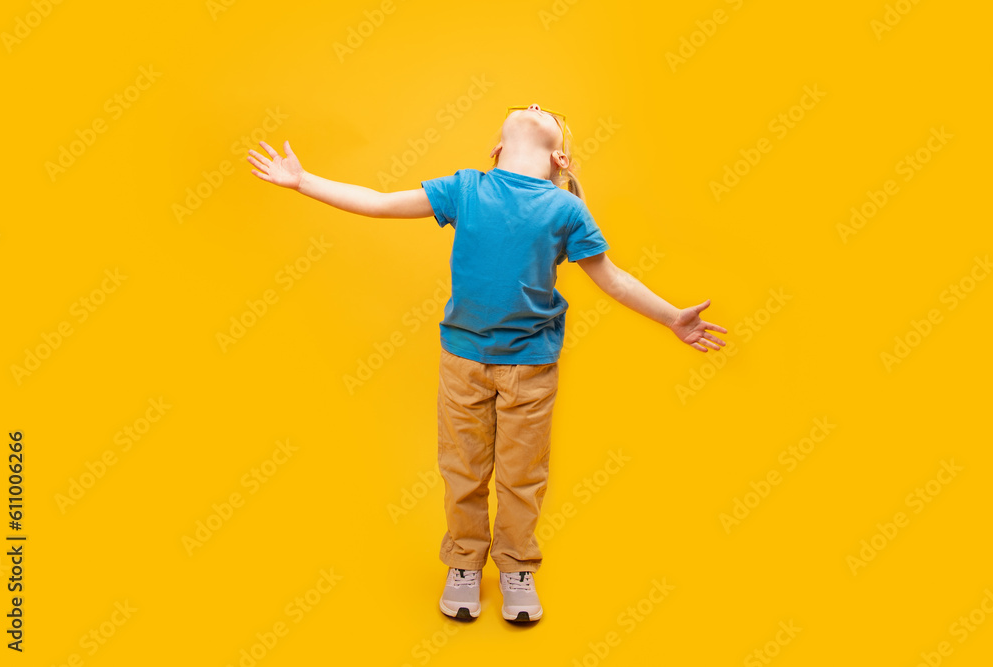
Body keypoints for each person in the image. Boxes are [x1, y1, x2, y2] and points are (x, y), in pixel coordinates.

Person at [247, 103, 728, 623]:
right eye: (528, 107)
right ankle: (464, 563)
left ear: (560, 157)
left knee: (522, 477)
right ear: (496, 149)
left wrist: (671, 317)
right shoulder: (465, 188)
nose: (536, 105)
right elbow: (380, 203)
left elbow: (612, 277)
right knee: (463, 471)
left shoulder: (567, 210)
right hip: (463, 362)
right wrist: (304, 182)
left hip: (530, 367)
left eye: (546, 111)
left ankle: (517, 567)